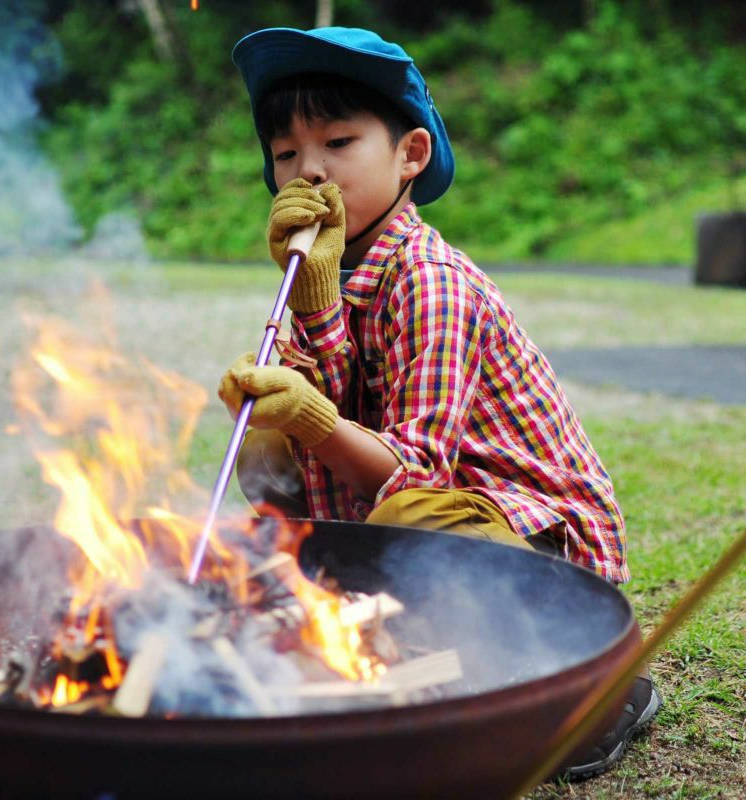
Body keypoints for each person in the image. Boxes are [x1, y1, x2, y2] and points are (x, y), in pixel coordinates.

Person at [220, 25, 661, 779]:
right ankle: (393, 645)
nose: (311, 172)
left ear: (410, 155)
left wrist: (310, 417)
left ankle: (600, 690)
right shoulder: (324, 275)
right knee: (263, 448)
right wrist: (282, 394)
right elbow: (320, 464)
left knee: (407, 517)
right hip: (415, 522)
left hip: (526, 542)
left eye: (339, 141)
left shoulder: (432, 281)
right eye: (287, 153)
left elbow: (411, 476)